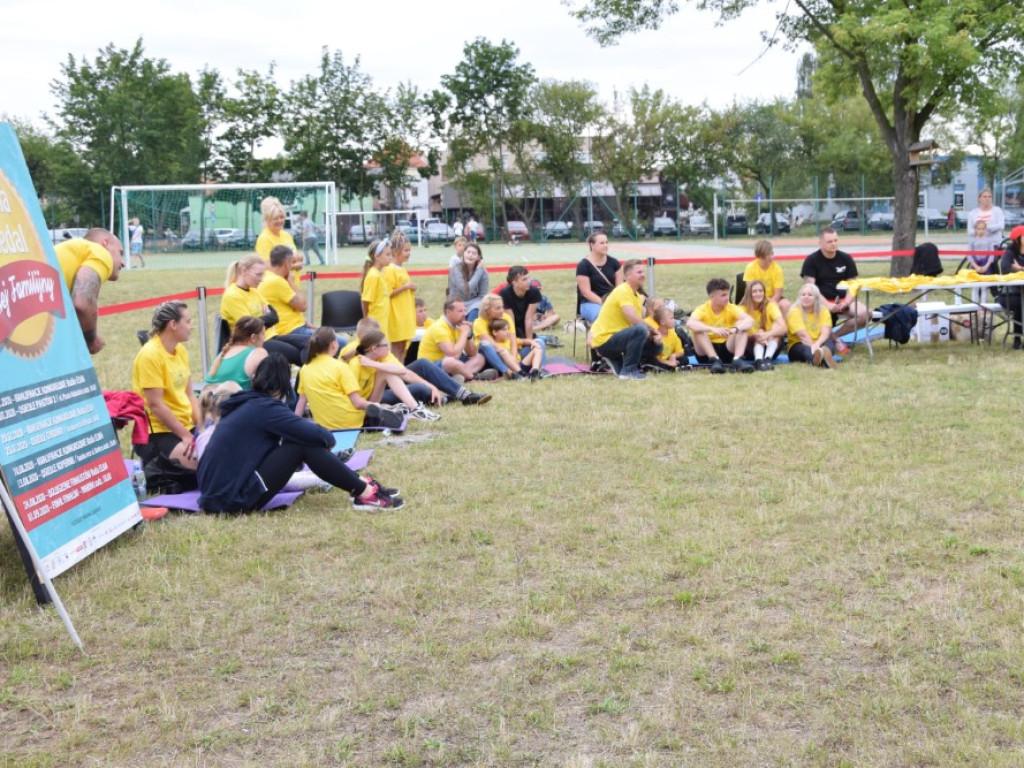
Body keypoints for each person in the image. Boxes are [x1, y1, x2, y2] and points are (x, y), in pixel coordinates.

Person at [199, 354, 403, 512]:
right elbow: (323, 436)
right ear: (283, 384)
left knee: (297, 441)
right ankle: (364, 492)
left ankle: (361, 486)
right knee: (302, 444)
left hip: (216, 496)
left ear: (255, 378)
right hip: (230, 500)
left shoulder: (246, 403)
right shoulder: (266, 409)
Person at [132, 301, 200, 493]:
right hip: (157, 433)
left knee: (217, 457)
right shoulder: (150, 355)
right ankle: (154, 469)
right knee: (203, 467)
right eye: (188, 321)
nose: (191, 326)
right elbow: (156, 405)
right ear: (173, 324)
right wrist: (186, 436)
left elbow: (189, 394)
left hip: (183, 426)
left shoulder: (181, 351)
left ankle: (169, 470)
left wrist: (201, 426)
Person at [296, 330, 405, 431]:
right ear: (334, 344)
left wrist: (294, 424)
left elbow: (302, 401)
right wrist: (372, 405)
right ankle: (377, 416)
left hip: (325, 425)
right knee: (367, 411)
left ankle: (381, 413)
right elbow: (357, 403)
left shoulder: (305, 369)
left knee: (373, 408)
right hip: (350, 422)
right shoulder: (340, 367)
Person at [221, 254, 305, 366]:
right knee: (296, 354)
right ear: (244, 271)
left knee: (311, 344)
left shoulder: (254, 291)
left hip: (269, 336)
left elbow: (274, 316)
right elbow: (250, 327)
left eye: (263, 275)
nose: (261, 279)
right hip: (253, 343)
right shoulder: (232, 295)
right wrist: (264, 319)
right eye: (258, 275)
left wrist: (260, 320)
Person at [54, 228, 124, 354]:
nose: (123, 263)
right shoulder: (100, 252)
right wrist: (92, 339)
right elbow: (82, 303)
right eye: (120, 253)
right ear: (105, 244)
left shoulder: (74, 251)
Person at [589, 259, 661, 380]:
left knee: (657, 346)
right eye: (639, 272)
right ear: (627, 275)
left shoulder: (637, 296)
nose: (643, 275)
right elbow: (634, 319)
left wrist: (654, 337)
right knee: (640, 330)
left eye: (643, 272)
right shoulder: (623, 291)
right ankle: (628, 371)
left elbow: (637, 323)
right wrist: (654, 330)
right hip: (605, 341)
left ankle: (619, 362)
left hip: (620, 339)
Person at [347, 329, 441, 420]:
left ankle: (416, 409)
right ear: (374, 349)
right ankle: (403, 409)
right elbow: (352, 399)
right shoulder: (355, 364)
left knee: (388, 372)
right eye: (385, 345)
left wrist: (373, 364)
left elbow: (402, 371)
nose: (389, 348)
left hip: (371, 401)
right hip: (358, 406)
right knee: (422, 388)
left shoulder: (378, 359)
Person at [800, 227, 868, 352]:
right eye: (829, 241)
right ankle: (833, 340)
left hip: (843, 300)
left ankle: (834, 338)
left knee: (865, 314)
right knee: (814, 312)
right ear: (820, 242)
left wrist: (846, 302)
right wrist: (828, 305)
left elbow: (854, 285)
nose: (834, 244)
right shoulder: (811, 260)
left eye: (836, 240)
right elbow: (811, 289)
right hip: (820, 301)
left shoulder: (846, 258)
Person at [687, 278, 755, 374]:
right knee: (698, 329)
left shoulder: (731, 307)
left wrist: (734, 329)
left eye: (727, 294)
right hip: (706, 351)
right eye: (723, 295)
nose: (727, 298)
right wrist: (713, 329)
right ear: (712, 297)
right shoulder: (702, 309)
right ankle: (714, 360)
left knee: (742, 325)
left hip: (727, 348)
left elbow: (750, 320)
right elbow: (690, 323)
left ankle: (737, 360)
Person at [417, 298, 488, 381]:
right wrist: (464, 333)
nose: (464, 314)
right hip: (431, 368)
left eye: (465, 310)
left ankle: (458, 377)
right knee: (450, 362)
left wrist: (467, 335)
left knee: (480, 357)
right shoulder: (439, 327)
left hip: (449, 366)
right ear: (448, 312)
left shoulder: (457, 325)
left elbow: (472, 354)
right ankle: (473, 377)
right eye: (460, 311)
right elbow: (453, 355)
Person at [474, 294, 541, 379]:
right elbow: (494, 346)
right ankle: (509, 372)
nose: (502, 310)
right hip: (493, 356)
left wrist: (513, 359)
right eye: (498, 308)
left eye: (502, 307)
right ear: (487, 310)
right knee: (486, 345)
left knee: (539, 344)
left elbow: (513, 341)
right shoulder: (479, 323)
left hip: (512, 356)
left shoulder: (506, 317)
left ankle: (537, 371)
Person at [258, 245, 315, 337]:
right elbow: (303, 306)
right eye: (293, 262)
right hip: (290, 330)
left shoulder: (266, 277)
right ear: (287, 263)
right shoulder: (277, 281)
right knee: (340, 342)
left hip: (291, 326)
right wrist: (291, 282)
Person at [205, 316, 268, 389]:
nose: (265, 338)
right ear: (253, 337)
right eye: (263, 334)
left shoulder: (223, 353)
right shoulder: (259, 353)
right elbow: (268, 386)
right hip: (240, 399)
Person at [738, 280, 786, 371]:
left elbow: (784, 327)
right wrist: (756, 336)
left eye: (760, 291)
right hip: (750, 347)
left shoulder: (770, 306)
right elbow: (738, 332)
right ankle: (759, 360)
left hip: (771, 344)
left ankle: (768, 359)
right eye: (754, 291)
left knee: (777, 324)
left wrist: (768, 334)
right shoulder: (742, 309)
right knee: (759, 333)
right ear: (749, 294)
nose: (758, 294)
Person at [576, 232, 623, 323]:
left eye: (606, 242)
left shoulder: (614, 263)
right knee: (604, 315)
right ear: (592, 245)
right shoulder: (583, 265)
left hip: (613, 302)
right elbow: (586, 293)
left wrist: (615, 303)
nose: (606, 245)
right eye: (602, 243)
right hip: (590, 303)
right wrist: (605, 304)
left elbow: (619, 289)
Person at [786, 283, 837, 368]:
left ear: (816, 298)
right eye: (803, 295)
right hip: (799, 344)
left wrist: (818, 344)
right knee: (806, 351)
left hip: (818, 342)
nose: (806, 297)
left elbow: (825, 333)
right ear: (799, 297)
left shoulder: (823, 310)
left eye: (810, 295)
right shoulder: (794, 312)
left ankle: (822, 357)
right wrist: (815, 348)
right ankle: (824, 361)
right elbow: (803, 336)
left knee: (829, 344)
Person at [385, 229, 417, 361]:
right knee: (396, 346)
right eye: (406, 251)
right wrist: (405, 287)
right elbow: (387, 293)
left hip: (404, 313)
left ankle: (401, 371)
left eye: (409, 250)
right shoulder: (390, 269)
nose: (408, 253)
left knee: (403, 347)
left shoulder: (401, 268)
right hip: (395, 314)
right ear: (395, 251)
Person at [743, 240, 789, 314]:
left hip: (772, 298)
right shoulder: (750, 268)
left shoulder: (777, 269)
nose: (771, 257)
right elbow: (751, 291)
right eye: (767, 255)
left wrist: (770, 303)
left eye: (772, 254)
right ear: (760, 256)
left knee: (785, 305)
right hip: (755, 297)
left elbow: (777, 294)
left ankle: (782, 324)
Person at [448, 241, 489, 322]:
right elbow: (466, 289)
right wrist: (479, 271)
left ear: (479, 257)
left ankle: (470, 330)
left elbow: (482, 296)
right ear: (464, 254)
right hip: (456, 301)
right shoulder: (456, 269)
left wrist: (479, 271)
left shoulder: (483, 272)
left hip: (474, 304)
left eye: (474, 253)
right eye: (468, 252)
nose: (470, 255)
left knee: (477, 307)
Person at [997, 225, 1024, 348]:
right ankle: (1017, 338)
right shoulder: (1010, 252)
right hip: (1009, 294)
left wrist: (1019, 268)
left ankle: (1018, 338)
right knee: (1021, 304)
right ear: (1018, 239)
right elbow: (1005, 269)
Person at [361, 239, 393, 339]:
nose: (390, 258)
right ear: (377, 256)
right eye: (387, 255)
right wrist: (367, 321)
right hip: (375, 324)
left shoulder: (380, 274)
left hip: (382, 322)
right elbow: (365, 301)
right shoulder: (373, 276)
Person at [643, 305, 689, 372]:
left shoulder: (673, 334)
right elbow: (656, 357)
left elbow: (680, 351)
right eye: (671, 318)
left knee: (685, 359)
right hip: (660, 361)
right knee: (652, 361)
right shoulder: (656, 336)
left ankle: (670, 368)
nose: (674, 320)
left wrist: (673, 356)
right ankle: (671, 367)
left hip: (670, 359)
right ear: (662, 322)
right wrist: (667, 362)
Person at [254, 196, 296, 260]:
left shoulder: (287, 235)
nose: (279, 221)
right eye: (275, 218)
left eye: (281, 217)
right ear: (267, 219)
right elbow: (266, 267)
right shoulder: (264, 239)